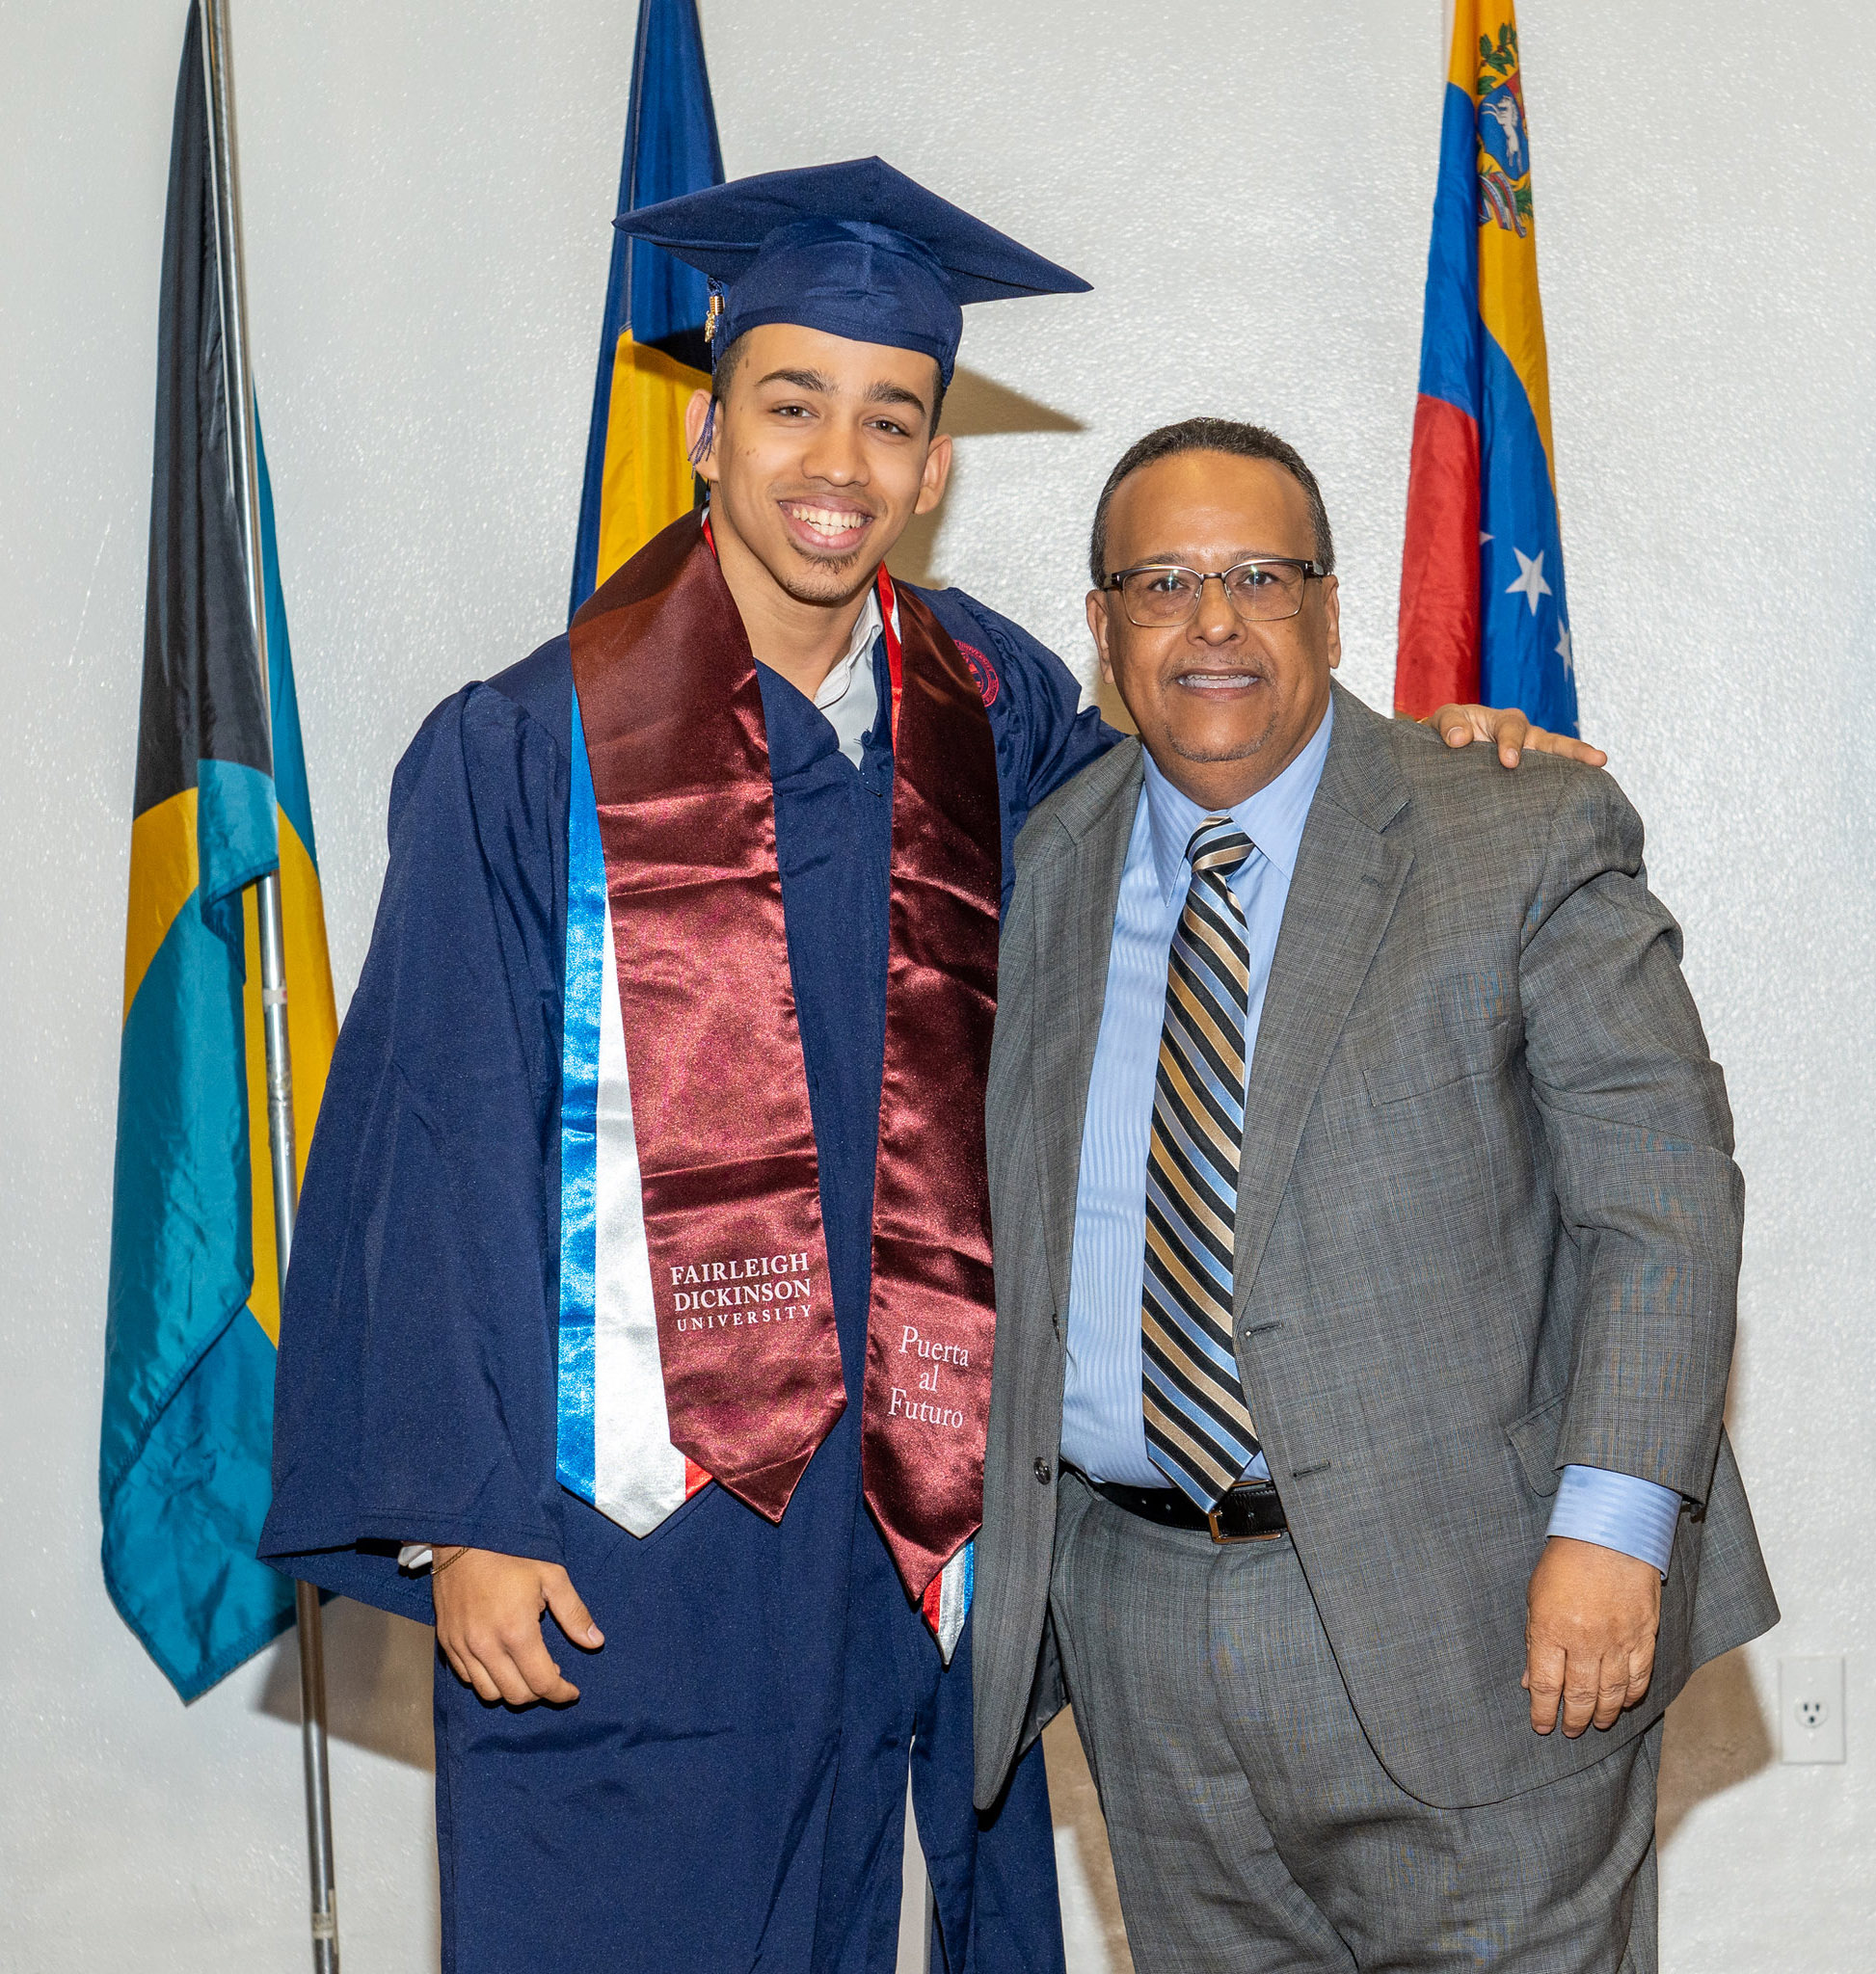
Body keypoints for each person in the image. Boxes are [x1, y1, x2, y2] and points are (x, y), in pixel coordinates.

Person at [260, 155, 1579, 1971]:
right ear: (708, 432)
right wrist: (456, 1522)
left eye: (890, 421)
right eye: (791, 404)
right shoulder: (522, 749)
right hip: (629, 1530)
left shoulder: (1002, 709)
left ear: (936, 467)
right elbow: (429, 1138)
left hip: (920, 1518)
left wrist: (1417, 764)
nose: (838, 463)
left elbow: (1212, 816)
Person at [971, 417, 1777, 1973]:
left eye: (1259, 576)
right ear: (1104, 626)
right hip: (1137, 1619)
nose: (1212, 621)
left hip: (1480, 1607)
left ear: (1331, 612)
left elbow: (1663, 1203)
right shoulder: (1040, 866)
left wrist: (1616, 1532)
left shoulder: (1515, 827)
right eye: (1162, 582)